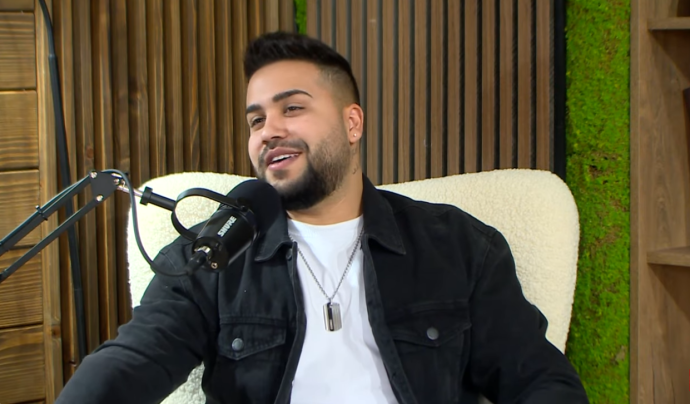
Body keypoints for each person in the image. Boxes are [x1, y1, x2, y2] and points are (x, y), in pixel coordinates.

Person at [56, 31, 589, 404]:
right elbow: (132, 362)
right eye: (256, 120)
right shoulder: (214, 256)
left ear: (352, 123)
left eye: (292, 108)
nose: (268, 131)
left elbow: (539, 381)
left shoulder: (457, 245)